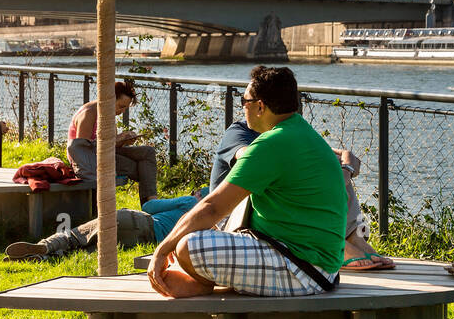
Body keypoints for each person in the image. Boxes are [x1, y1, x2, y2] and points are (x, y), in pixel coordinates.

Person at [147, 66, 347, 298]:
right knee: (200, 233)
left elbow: (212, 207)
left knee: (188, 246)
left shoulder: (272, 144)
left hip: (301, 271)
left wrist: (163, 249)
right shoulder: (304, 134)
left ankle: (203, 283)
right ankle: (208, 281)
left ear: (260, 106)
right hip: (321, 267)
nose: (243, 106)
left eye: (245, 100)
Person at [210, 117, 393, 271]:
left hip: (270, 215)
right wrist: (343, 173)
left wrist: (345, 163)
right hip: (233, 215)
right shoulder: (239, 131)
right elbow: (257, 160)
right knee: (284, 176)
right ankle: (336, 245)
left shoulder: (288, 134)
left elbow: (322, 157)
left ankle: (354, 237)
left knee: (330, 163)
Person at [5, 188, 208, 260]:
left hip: (138, 221)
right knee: (87, 250)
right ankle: (42, 258)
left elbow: (149, 206)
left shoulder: (190, 202)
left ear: (199, 195)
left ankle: (46, 245)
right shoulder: (208, 223)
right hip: (144, 240)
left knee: (75, 236)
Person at [66, 81, 156, 204]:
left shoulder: (109, 114)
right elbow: (82, 151)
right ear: (109, 99)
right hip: (91, 159)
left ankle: (152, 202)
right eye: (121, 106)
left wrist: (124, 140)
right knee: (141, 168)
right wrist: (117, 139)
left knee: (148, 152)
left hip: (105, 153)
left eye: (125, 108)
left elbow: (112, 144)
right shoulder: (89, 113)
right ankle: (151, 204)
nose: (122, 111)